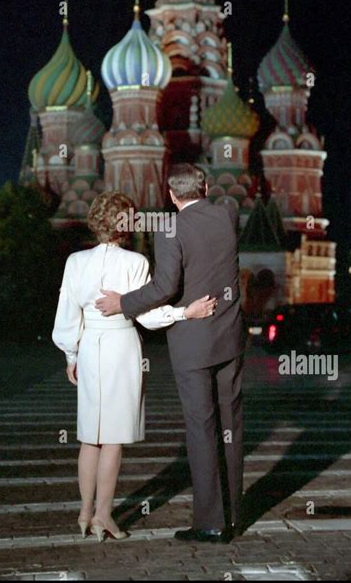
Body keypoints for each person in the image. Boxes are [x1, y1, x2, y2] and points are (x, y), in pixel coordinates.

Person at [52, 190, 217, 542]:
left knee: (88, 438)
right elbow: (149, 314)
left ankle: (83, 513)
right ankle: (103, 517)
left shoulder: (75, 262)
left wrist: (71, 355)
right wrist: (186, 312)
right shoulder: (136, 262)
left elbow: (67, 314)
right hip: (121, 347)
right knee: (112, 440)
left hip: (89, 348)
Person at [96, 164, 246, 543]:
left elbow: (165, 286)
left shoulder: (171, 228)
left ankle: (210, 522)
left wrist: (123, 302)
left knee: (201, 429)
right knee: (230, 427)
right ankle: (233, 516)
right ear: (206, 187)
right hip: (229, 336)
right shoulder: (227, 214)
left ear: (171, 195)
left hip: (194, 341)